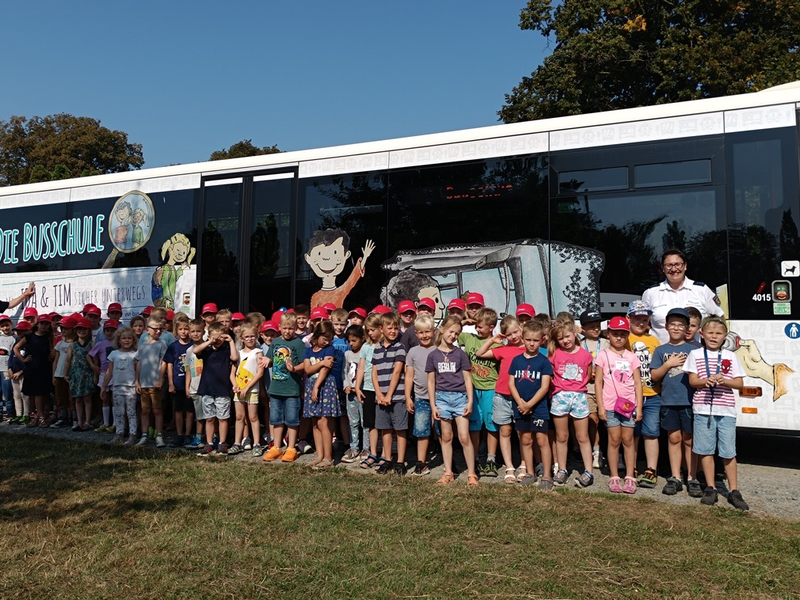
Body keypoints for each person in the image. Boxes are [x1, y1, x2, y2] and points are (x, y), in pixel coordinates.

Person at [683, 316, 749, 510]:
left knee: (728, 452)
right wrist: (706, 381)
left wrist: (724, 381)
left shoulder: (730, 356)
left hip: (727, 410)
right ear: (701, 334)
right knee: (705, 450)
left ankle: (734, 490)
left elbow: (739, 383)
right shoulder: (695, 355)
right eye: (710, 333)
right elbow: (693, 381)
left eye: (718, 333)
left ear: (725, 336)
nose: (714, 336)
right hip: (703, 409)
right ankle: (710, 487)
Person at [650, 308, 702, 497]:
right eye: (673, 324)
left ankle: (692, 477)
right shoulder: (661, 350)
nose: (676, 327)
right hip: (668, 402)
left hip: (690, 401)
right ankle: (674, 477)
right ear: (666, 327)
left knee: (689, 440)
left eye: (681, 324)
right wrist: (668, 364)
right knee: (674, 439)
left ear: (687, 328)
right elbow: (654, 376)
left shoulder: (696, 350)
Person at [426, 316, 477, 487]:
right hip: (441, 398)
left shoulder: (460, 354)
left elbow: (468, 379)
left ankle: (471, 473)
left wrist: (470, 401)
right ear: (442, 330)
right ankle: (448, 472)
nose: (453, 336)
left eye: (457, 333)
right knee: (446, 436)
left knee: (463, 436)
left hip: (460, 397)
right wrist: (433, 405)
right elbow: (431, 381)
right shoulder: (433, 355)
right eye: (451, 331)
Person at [595, 316, 643, 495]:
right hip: (609, 405)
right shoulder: (603, 355)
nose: (619, 338)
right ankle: (614, 475)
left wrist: (639, 407)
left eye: (623, 335)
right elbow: (598, 382)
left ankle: (630, 476)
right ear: (608, 334)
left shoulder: (632, 357)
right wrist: (600, 406)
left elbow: (638, 383)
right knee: (614, 440)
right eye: (615, 334)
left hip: (629, 406)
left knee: (628, 440)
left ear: (627, 336)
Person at [476, 315, 525, 483]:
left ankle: (524, 465)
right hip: (502, 396)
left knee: (522, 433)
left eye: (516, 332)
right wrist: (493, 340)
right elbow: (479, 353)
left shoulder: (528, 348)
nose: (513, 336)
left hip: (522, 397)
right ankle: (509, 467)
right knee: (505, 431)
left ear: (521, 329)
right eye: (509, 334)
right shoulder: (503, 349)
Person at [548, 320, 595, 488]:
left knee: (582, 436)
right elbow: (551, 375)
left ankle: (588, 471)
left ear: (574, 334)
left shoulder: (585, 355)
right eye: (560, 338)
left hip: (579, 396)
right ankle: (562, 469)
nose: (565, 340)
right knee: (562, 436)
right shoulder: (555, 354)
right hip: (560, 397)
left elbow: (588, 376)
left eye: (567, 336)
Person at [507, 320, 554, 489]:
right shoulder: (516, 360)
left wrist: (530, 405)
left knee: (542, 440)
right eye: (528, 340)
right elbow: (511, 383)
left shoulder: (543, 361)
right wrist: (520, 403)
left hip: (538, 407)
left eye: (535, 340)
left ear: (542, 340)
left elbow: (545, 386)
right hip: (520, 406)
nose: (531, 343)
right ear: (523, 338)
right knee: (525, 440)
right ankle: (530, 472)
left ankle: (547, 475)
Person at [642, 249, 724, 343]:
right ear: (663, 268)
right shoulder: (650, 293)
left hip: (694, 354)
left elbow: (719, 319)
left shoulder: (702, 290)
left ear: (685, 266)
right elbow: (642, 324)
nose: (673, 269)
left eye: (678, 264)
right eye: (669, 265)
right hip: (659, 353)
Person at [459, 307, 501, 477]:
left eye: (480, 327)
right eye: (476, 326)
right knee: (474, 425)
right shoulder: (468, 338)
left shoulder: (498, 344)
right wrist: (463, 322)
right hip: (473, 389)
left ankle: (491, 458)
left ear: (491, 327)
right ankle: (474, 457)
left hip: (491, 387)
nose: (476, 329)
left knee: (491, 424)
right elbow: (443, 331)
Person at [626, 300, 662, 488]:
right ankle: (631, 466)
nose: (640, 323)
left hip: (653, 394)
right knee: (631, 433)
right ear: (628, 318)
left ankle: (651, 469)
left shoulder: (654, 341)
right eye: (636, 319)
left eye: (644, 319)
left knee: (651, 432)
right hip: (630, 396)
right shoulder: (624, 339)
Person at [262, 312, 306, 463]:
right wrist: (265, 361)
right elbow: (270, 359)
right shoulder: (275, 342)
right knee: (276, 419)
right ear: (279, 327)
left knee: (292, 420)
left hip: (292, 389)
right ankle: (277, 447)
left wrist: (294, 368)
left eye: (291, 328)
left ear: (295, 328)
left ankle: (291, 448)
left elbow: (304, 364)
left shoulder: (298, 344)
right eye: (285, 328)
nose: (288, 331)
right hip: (275, 389)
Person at [371, 311, 408, 475]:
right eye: (389, 328)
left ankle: (400, 461)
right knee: (385, 429)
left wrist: (389, 395)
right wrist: (379, 394)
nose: (393, 331)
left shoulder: (400, 348)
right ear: (381, 329)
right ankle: (387, 458)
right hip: (381, 397)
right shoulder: (377, 350)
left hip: (397, 396)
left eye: (396, 328)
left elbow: (397, 371)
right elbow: (374, 373)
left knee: (399, 429)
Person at [194, 321, 239, 455]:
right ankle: (209, 442)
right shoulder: (206, 350)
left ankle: (222, 442)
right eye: (215, 337)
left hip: (222, 389)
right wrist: (209, 341)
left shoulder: (226, 349)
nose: (218, 340)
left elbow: (235, 357)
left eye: (220, 337)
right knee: (209, 418)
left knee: (223, 417)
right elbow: (196, 350)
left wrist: (230, 341)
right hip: (207, 388)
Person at [303, 321, 340, 469]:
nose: (327, 342)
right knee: (315, 422)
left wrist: (316, 387)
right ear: (317, 335)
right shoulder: (308, 351)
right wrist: (320, 363)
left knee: (324, 422)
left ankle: (328, 457)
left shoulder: (330, 349)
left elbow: (325, 370)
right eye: (324, 339)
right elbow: (308, 370)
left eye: (329, 339)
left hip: (325, 386)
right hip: (311, 386)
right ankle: (319, 455)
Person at [404, 314, 436, 476]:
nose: (424, 336)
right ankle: (421, 462)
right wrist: (408, 397)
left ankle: (448, 460)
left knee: (442, 430)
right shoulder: (413, 352)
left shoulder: (439, 350)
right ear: (416, 334)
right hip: (421, 397)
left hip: (439, 398)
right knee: (422, 430)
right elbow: (409, 376)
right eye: (421, 333)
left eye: (428, 332)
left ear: (434, 332)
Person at [578, 309, 608, 468]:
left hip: (606, 389)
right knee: (593, 420)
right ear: (583, 328)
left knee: (610, 422)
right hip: (587, 388)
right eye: (592, 327)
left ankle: (614, 452)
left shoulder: (606, 343)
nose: (596, 329)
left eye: (598, 326)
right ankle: (596, 451)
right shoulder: (579, 344)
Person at [230, 324, 264, 456]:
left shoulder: (258, 352)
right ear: (242, 339)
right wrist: (235, 385)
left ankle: (256, 443)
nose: (250, 339)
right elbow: (232, 373)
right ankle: (237, 443)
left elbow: (259, 373)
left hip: (252, 389)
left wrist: (247, 387)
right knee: (239, 417)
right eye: (247, 337)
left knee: (253, 417)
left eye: (252, 336)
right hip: (239, 390)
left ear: (256, 337)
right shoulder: (237, 353)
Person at [14, 313, 53, 428]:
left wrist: (52, 356)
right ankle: (40, 417)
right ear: (38, 324)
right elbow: (16, 348)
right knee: (36, 393)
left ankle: (38, 416)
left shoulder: (49, 337)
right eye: (42, 323)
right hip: (33, 368)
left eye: (47, 324)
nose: (44, 326)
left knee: (44, 392)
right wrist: (23, 359)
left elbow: (52, 350)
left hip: (45, 367)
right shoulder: (29, 336)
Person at [101, 327, 139, 445]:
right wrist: (104, 386)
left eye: (129, 338)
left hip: (131, 387)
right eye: (124, 338)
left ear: (133, 340)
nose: (126, 340)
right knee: (119, 412)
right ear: (119, 340)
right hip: (117, 387)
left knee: (131, 412)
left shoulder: (135, 354)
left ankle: (132, 435)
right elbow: (109, 372)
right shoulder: (114, 354)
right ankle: (119, 434)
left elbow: (138, 370)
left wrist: (137, 382)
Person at [135, 317, 168, 447]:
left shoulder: (162, 344)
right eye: (155, 329)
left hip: (155, 383)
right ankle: (144, 435)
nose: (158, 331)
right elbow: (138, 362)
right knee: (144, 410)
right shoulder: (142, 346)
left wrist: (160, 379)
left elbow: (164, 362)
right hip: (143, 383)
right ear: (148, 330)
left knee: (157, 410)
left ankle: (159, 435)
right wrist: (137, 381)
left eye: (160, 329)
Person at [356, 313, 382, 469]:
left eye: (373, 330)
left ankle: (385, 454)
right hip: (368, 388)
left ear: (380, 328)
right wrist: (358, 387)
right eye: (368, 330)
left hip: (382, 388)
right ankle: (372, 453)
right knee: (371, 424)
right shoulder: (366, 346)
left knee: (384, 424)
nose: (370, 333)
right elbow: (361, 368)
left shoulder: (385, 345)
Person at [164, 318, 194, 447]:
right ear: (176, 331)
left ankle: (188, 435)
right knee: (178, 410)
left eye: (186, 329)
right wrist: (170, 383)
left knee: (190, 410)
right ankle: (179, 434)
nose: (183, 332)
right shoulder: (173, 346)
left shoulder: (194, 345)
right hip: (177, 382)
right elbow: (169, 365)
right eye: (180, 329)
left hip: (191, 383)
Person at [342, 324, 368, 463]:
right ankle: (354, 447)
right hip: (350, 394)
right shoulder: (347, 354)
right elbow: (344, 372)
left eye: (354, 340)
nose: (351, 344)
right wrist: (346, 385)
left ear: (362, 339)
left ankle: (366, 448)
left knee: (365, 422)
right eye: (349, 341)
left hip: (362, 393)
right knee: (353, 421)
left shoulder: (365, 353)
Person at [89, 319, 118, 434]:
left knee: (114, 399)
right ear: (104, 332)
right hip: (103, 373)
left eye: (112, 330)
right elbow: (90, 355)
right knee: (104, 398)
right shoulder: (100, 344)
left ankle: (115, 423)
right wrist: (94, 367)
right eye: (107, 330)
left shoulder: (119, 344)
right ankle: (105, 423)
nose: (110, 333)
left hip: (116, 374)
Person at [66, 318, 94, 431]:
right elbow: (68, 360)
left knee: (87, 398)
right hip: (76, 374)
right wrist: (65, 374)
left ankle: (87, 421)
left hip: (88, 374)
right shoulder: (72, 345)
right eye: (79, 329)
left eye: (84, 329)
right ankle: (79, 421)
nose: (82, 331)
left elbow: (95, 359)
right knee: (77, 399)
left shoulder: (92, 344)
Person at [184, 318, 207, 450]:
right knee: (199, 415)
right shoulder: (188, 351)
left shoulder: (208, 347)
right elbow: (188, 369)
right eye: (192, 331)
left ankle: (213, 437)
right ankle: (198, 437)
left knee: (210, 415)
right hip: (195, 386)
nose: (195, 334)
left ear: (203, 332)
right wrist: (187, 386)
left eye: (198, 331)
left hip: (207, 387)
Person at [50, 316, 76, 428]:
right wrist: (54, 375)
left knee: (72, 398)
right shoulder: (60, 344)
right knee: (60, 398)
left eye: (66, 328)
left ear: (73, 329)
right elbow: (55, 360)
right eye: (62, 328)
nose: (63, 330)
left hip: (71, 375)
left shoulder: (76, 344)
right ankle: (63, 417)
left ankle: (74, 418)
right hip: (59, 374)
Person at [0, 315, 15, 420]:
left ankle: (10, 411)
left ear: (11, 324)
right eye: (2, 326)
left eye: (7, 325)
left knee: (8, 392)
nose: (5, 328)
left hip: (7, 370)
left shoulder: (15, 338)